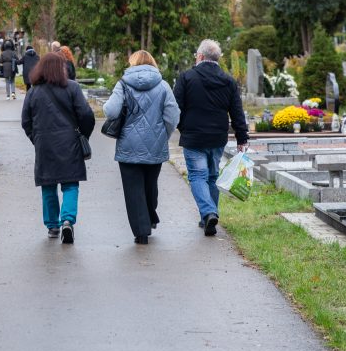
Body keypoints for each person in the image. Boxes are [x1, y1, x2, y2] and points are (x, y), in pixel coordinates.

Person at [173, 39, 249, 237]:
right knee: (212, 176)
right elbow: (237, 113)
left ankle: (208, 213)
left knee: (198, 176)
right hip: (217, 137)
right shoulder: (229, 81)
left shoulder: (187, 77)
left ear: (199, 56)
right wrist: (242, 139)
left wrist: (182, 127)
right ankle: (209, 218)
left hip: (194, 136)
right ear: (217, 59)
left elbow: (176, 108)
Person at [103, 50, 179, 244]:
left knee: (133, 189)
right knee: (150, 186)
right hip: (155, 145)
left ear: (132, 63)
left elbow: (111, 111)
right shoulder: (163, 86)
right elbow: (173, 116)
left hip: (128, 146)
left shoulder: (123, 84)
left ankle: (141, 232)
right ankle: (150, 215)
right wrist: (163, 135)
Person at [21, 52, 95, 243]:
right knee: (70, 184)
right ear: (61, 68)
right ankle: (68, 220)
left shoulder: (33, 92)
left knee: (48, 184)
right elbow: (86, 115)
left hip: (44, 145)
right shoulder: (72, 88)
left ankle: (52, 225)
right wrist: (83, 136)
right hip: (69, 143)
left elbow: (26, 121)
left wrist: (36, 139)